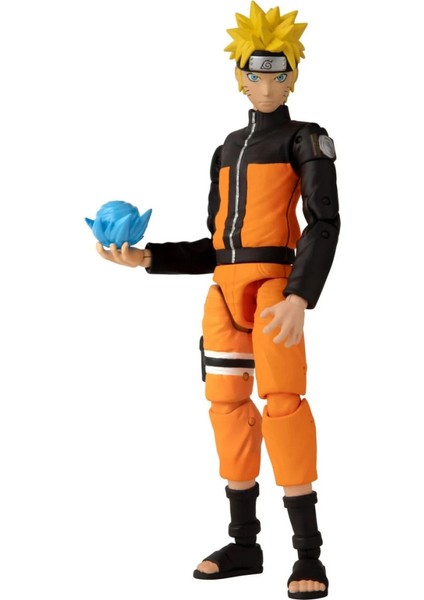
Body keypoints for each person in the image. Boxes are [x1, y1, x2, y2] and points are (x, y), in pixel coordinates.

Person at [95, 3, 340, 598]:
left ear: (293, 76)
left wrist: (300, 295)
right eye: (255, 74)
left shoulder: (306, 139)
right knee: (226, 406)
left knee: (283, 405)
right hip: (224, 294)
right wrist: (149, 257)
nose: (266, 86)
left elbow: (325, 221)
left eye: (278, 74)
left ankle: (308, 552)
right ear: (238, 77)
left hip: (275, 289)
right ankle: (244, 542)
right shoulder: (226, 149)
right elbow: (215, 245)